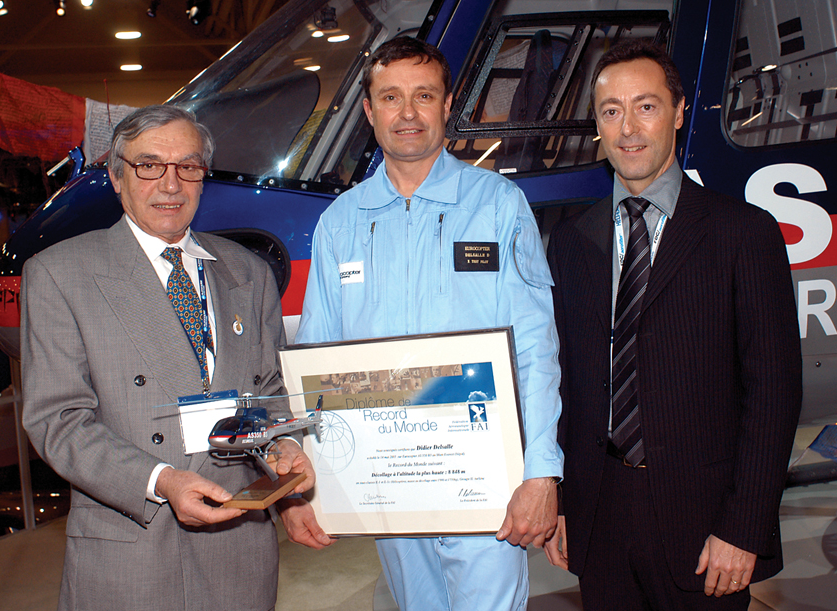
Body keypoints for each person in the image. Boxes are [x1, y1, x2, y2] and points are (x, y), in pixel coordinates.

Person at [278, 36, 563, 611]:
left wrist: (542, 473)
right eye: (391, 97)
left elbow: (535, 349)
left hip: (487, 477)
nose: (407, 114)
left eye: (423, 96)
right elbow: (316, 359)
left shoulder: (499, 205)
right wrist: (308, 483)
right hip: (390, 478)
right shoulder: (341, 223)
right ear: (369, 110)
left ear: (447, 104)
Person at [21, 105, 315, 611]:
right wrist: (161, 481)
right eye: (149, 165)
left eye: (189, 166)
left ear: (205, 177)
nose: (171, 184)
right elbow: (58, 420)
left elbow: (269, 391)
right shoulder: (59, 274)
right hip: (132, 548)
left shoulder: (248, 272)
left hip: (238, 545)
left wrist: (281, 446)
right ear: (116, 176)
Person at [545, 40, 802, 609]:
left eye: (646, 106)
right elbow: (567, 383)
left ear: (680, 111)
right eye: (611, 111)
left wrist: (745, 526)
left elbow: (773, 394)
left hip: (707, 524)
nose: (628, 128)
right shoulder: (570, 242)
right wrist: (565, 501)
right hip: (601, 516)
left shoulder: (744, 234)